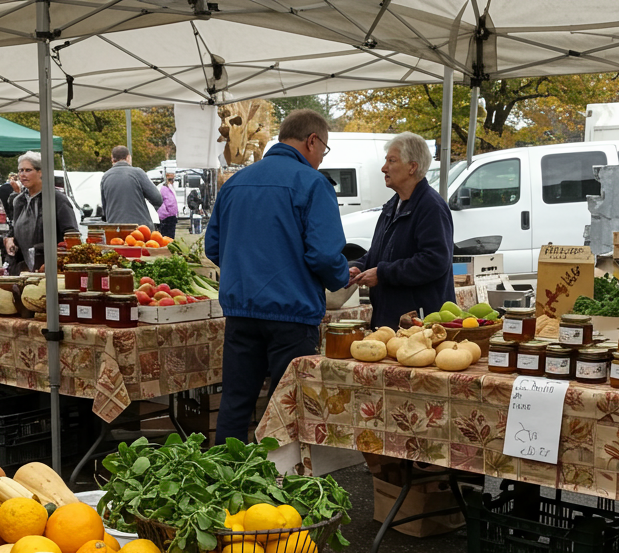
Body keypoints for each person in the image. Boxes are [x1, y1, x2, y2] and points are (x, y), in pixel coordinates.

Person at [205, 109, 349, 444]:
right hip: (292, 314)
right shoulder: (313, 184)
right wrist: (342, 276)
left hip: (241, 311)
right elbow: (325, 255)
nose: (320, 158)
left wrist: (246, 269)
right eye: (323, 149)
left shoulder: (235, 183)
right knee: (287, 407)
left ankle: (225, 482)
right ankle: (279, 487)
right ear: (312, 141)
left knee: (235, 404)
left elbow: (215, 247)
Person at [348, 132, 455, 329]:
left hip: (419, 325)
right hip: (390, 321)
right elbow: (379, 253)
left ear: (412, 167)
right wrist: (359, 267)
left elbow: (435, 261)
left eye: (392, 160)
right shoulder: (393, 205)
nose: (384, 168)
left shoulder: (431, 207)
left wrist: (383, 273)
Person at [6, 151, 78, 274]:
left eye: (28, 170)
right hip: (22, 269)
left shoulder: (57, 199)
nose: (22, 175)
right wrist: (9, 239)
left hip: (48, 267)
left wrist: (56, 261)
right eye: (20, 170)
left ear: (41, 172)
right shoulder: (18, 201)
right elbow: (14, 230)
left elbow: (72, 235)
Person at [99, 145, 160, 225]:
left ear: (112, 159)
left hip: (115, 229)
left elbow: (105, 209)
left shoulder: (105, 177)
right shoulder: (137, 173)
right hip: (139, 229)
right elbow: (157, 198)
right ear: (128, 157)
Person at [156, 170, 179, 239]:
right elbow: (160, 202)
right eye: (170, 179)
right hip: (166, 217)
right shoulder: (162, 188)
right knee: (166, 236)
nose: (171, 181)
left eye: (172, 179)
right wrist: (165, 214)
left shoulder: (171, 187)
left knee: (171, 237)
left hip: (172, 216)